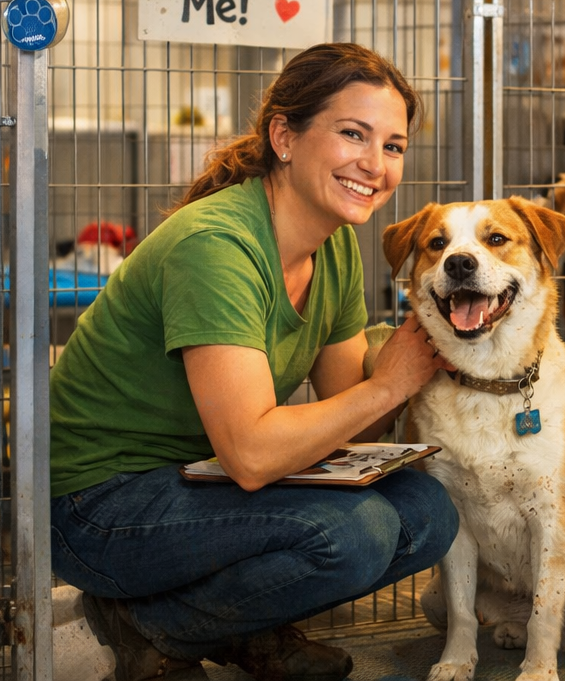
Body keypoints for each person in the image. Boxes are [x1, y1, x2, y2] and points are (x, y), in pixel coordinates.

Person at [49, 43, 457, 681]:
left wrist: (423, 346)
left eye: (394, 146)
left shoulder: (337, 248)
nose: (374, 165)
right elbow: (254, 454)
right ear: (284, 137)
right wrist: (390, 384)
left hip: (196, 479)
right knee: (354, 534)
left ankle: (232, 627)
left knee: (429, 512)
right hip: (97, 502)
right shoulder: (218, 245)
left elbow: (349, 426)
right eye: (353, 134)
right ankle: (149, 627)